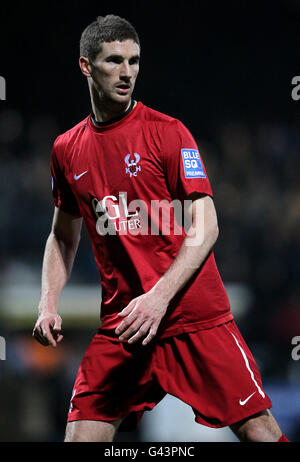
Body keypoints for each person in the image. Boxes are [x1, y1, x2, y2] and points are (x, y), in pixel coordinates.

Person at [33, 14, 289, 443]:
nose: (127, 72)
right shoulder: (66, 149)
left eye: (134, 61)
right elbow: (62, 235)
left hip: (192, 316)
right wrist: (47, 303)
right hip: (125, 323)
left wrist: (159, 298)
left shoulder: (168, 133)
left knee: (259, 430)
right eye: (115, 60)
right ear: (85, 66)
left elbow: (206, 227)